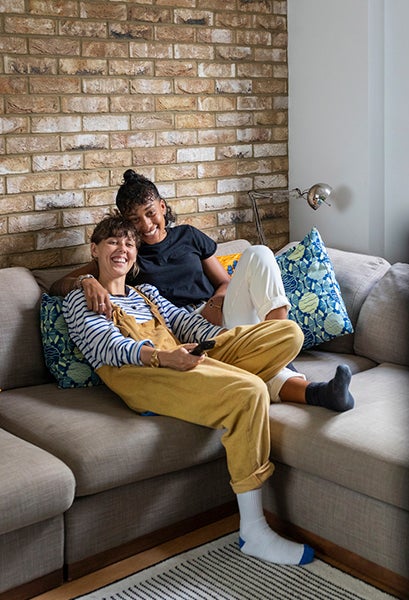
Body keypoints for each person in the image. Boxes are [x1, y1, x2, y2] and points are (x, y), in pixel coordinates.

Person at [63, 214, 314, 566]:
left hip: (181, 358)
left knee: (287, 334)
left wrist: (227, 341)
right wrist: (166, 357)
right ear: (95, 250)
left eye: (129, 243)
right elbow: (108, 347)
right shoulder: (80, 299)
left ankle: (225, 380)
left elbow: (187, 323)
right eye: (113, 242)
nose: (122, 249)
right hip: (142, 375)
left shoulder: (147, 293)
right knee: (250, 391)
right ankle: (254, 531)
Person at [51, 169, 353, 412]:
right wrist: (86, 281)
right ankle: (319, 393)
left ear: (162, 207)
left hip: (219, 313)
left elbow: (225, 281)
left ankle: (278, 346)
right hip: (184, 330)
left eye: (150, 213)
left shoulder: (188, 236)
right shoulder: (127, 253)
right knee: (248, 366)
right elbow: (57, 285)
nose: (145, 224)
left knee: (259, 253)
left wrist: (216, 303)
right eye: (134, 220)